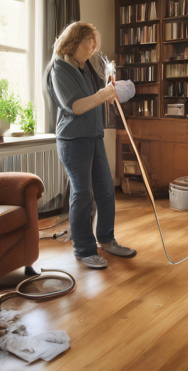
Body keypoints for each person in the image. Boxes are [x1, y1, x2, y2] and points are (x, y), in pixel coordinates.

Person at [47, 21, 136, 269]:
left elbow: (96, 98)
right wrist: (106, 93)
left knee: (106, 190)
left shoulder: (84, 66)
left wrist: (113, 88)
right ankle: (84, 249)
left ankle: (106, 239)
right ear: (74, 41)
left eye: (95, 43)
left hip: (93, 135)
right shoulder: (60, 68)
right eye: (89, 42)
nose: (93, 48)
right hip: (74, 140)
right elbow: (76, 106)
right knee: (83, 193)